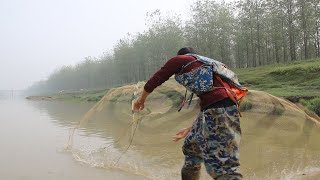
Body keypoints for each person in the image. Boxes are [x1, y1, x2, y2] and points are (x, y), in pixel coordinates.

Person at [133, 47, 243, 180]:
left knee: (223, 166)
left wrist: (141, 100)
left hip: (220, 109)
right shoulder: (206, 64)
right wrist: (193, 127)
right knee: (191, 146)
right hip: (220, 108)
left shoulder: (181, 59)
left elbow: (157, 78)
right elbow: (213, 102)